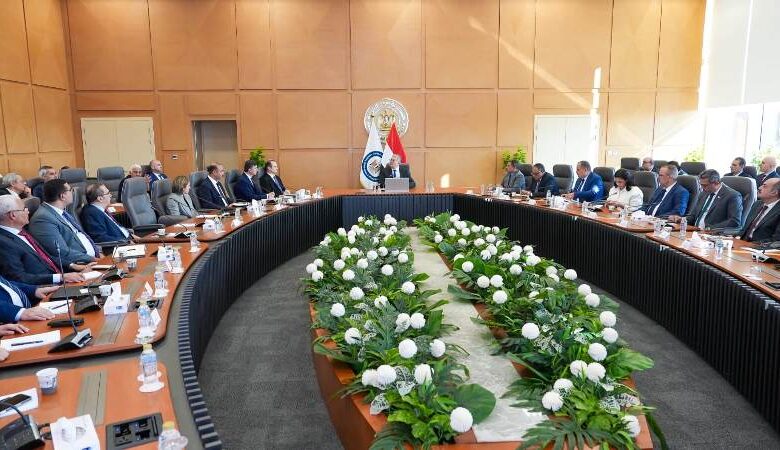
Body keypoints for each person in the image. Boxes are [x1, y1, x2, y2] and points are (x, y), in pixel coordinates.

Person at [0, 195, 90, 285]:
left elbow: (46, 257)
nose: (28, 211)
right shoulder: (3, 243)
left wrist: (73, 266)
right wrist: (60, 277)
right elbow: (19, 278)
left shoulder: (22, 231)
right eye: (24, 209)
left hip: (63, 279)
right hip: (48, 287)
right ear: (13, 215)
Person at [27, 179, 100, 267]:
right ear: (62, 196)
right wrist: (93, 259)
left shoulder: (61, 212)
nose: (72, 193)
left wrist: (98, 253)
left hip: (94, 258)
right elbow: (61, 252)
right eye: (70, 190)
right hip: (81, 264)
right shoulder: (43, 219)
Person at [669, 170, 742, 230]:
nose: (702, 188)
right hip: (694, 231)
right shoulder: (703, 193)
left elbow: (734, 221)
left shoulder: (732, 196)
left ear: (716, 183)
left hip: (712, 234)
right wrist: (681, 219)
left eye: (705, 185)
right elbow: (693, 216)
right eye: (701, 185)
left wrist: (710, 229)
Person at [737, 178, 780, 242]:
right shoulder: (757, 204)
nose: (759, 188)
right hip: (742, 242)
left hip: (760, 246)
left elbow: (776, 240)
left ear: (774, 192)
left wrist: (751, 245)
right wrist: (733, 237)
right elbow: (745, 229)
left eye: (764, 186)